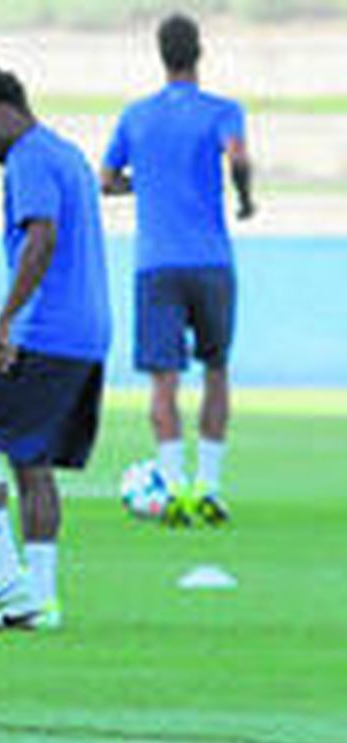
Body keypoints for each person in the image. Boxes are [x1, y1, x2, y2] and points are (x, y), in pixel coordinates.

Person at [0, 68, 111, 630]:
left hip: (45, 329)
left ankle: (2, 573)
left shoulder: (29, 158)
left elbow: (42, 235)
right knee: (31, 462)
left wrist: (6, 320)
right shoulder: (66, 154)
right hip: (86, 331)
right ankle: (39, 598)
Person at [101, 13, 255, 526]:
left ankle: (169, 487)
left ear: (160, 53)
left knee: (163, 382)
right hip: (211, 260)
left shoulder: (136, 115)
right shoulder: (222, 110)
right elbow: (238, 157)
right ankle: (208, 487)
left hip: (157, 263)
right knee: (216, 370)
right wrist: (245, 198)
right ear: (199, 52)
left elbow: (107, 179)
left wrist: (147, 185)